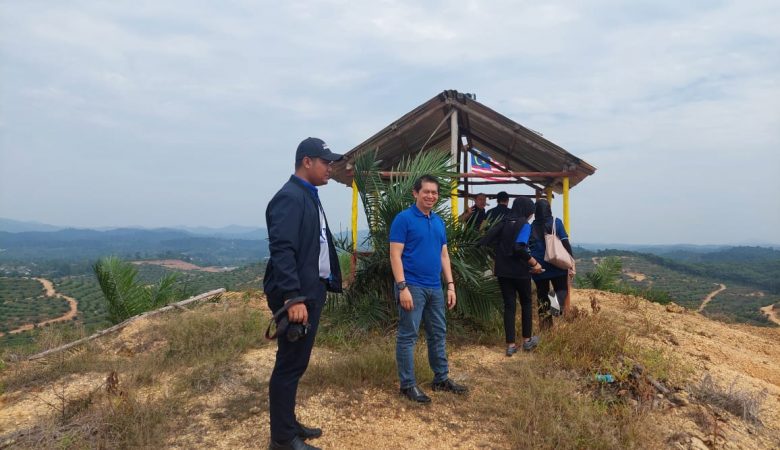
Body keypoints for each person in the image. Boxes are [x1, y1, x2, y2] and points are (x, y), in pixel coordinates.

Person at [263, 137, 343, 450]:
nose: (330, 168)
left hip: (311, 290)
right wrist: (292, 297)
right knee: (289, 364)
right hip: (297, 296)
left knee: (296, 363)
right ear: (307, 162)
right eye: (326, 162)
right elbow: (282, 250)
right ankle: (283, 439)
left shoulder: (307, 194)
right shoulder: (290, 197)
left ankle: (288, 424)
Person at [389, 174, 468, 403]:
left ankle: (441, 379)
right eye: (426, 192)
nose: (431, 196)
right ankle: (407, 385)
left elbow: (444, 255)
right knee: (408, 335)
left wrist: (450, 285)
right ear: (416, 193)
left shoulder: (438, 222)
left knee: (438, 333)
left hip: (434, 287)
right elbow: (395, 255)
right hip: (412, 286)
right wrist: (402, 287)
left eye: (434, 192)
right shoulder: (403, 219)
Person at [480, 197, 543, 355]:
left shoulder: (504, 222)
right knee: (526, 303)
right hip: (520, 271)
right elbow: (519, 248)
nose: (531, 215)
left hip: (503, 271)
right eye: (531, 212)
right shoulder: (524, 224)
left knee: (509, 306)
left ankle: (510, 345)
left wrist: (497, 255)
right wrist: (534, 263)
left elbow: (485, 240)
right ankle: (527, 341)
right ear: (527, 211)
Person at [528, 199, 575, 329]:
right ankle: (555, 307)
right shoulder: (556, 222)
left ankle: (545, 328)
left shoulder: (531, 227)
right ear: (549, 209)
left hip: (538, 265)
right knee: (561, 290)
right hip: (556, 264)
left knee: (542, 295)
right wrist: (571, 260)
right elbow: (565, 242)